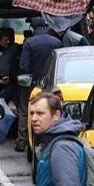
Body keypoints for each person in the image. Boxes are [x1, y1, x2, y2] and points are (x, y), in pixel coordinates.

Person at [16, 18, 62, 152]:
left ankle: (22, 142)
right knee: (51, 111)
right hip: (53, 84)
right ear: (46, 26)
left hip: (33, 85)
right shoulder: (57, 42)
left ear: (32, 28)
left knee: (25, 111)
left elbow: (24, 66)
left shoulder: (29, 43)